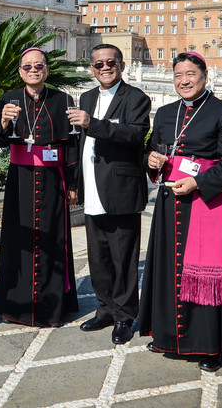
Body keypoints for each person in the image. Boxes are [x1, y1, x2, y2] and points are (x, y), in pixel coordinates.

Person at [140, 51, 222, 373]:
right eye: (178, 75)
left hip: (203, 202)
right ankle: (167, 336)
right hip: (169, 204)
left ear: (205, 76)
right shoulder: (165, 112)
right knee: (168, 270)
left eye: (190, 74)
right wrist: (151, 161)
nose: (183, 81)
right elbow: (154, 150)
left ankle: (209, 345)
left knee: (204, 275)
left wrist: (199, 182)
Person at [0, 48, 80, 327]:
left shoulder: (62, 99)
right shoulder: (8, 99)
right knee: (17, 241)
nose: (34, 70)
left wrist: (73, 184)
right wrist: (4, 121)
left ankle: (51, 308)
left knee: (53, 240)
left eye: (39, 66)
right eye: (28, 67)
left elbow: (72, 145)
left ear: (47, 70)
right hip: (20, 180)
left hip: (54, 180)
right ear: (20, 72)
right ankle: (15, 306)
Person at [69, 44, 150, 345]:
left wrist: (93, 124)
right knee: (98, 257)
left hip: (121, 191)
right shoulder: (87, 97)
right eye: (99, 64)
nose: (105, 67)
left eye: (110, 62)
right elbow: (81, 144)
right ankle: (105, 309)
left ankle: (125, 316)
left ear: (122, 65)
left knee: (123, 259)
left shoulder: (136, 98)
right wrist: (75, 183)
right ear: (92, 69)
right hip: (92, 188)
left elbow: (134, 135)